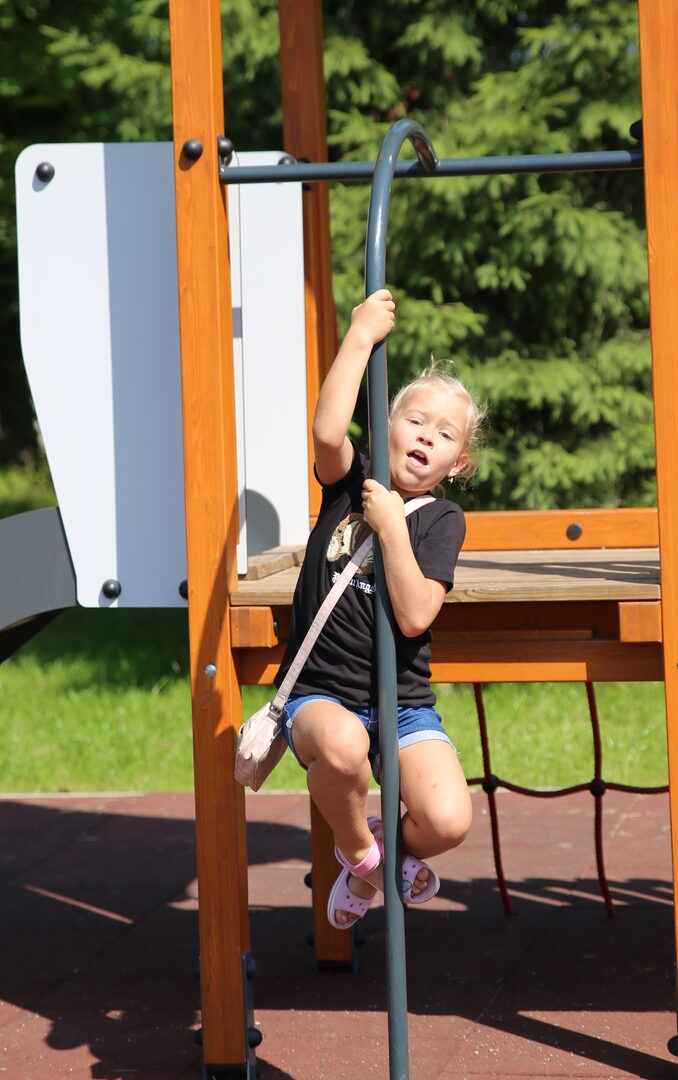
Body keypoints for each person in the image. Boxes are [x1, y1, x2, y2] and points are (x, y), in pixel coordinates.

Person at [275, 287, 485, 928]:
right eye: (415, 420)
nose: (426, 435)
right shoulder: (350, 483)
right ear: (387, 426)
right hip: (321, 695)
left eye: (444, 434)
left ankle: (376, 858)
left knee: (448, 819)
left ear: (457, 462)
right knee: (341, 745)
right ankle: (365, 855)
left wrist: (393, 527)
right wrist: (361, 336)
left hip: (401, 703)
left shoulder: (442, 520)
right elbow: (325, 430)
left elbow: (417, 614)